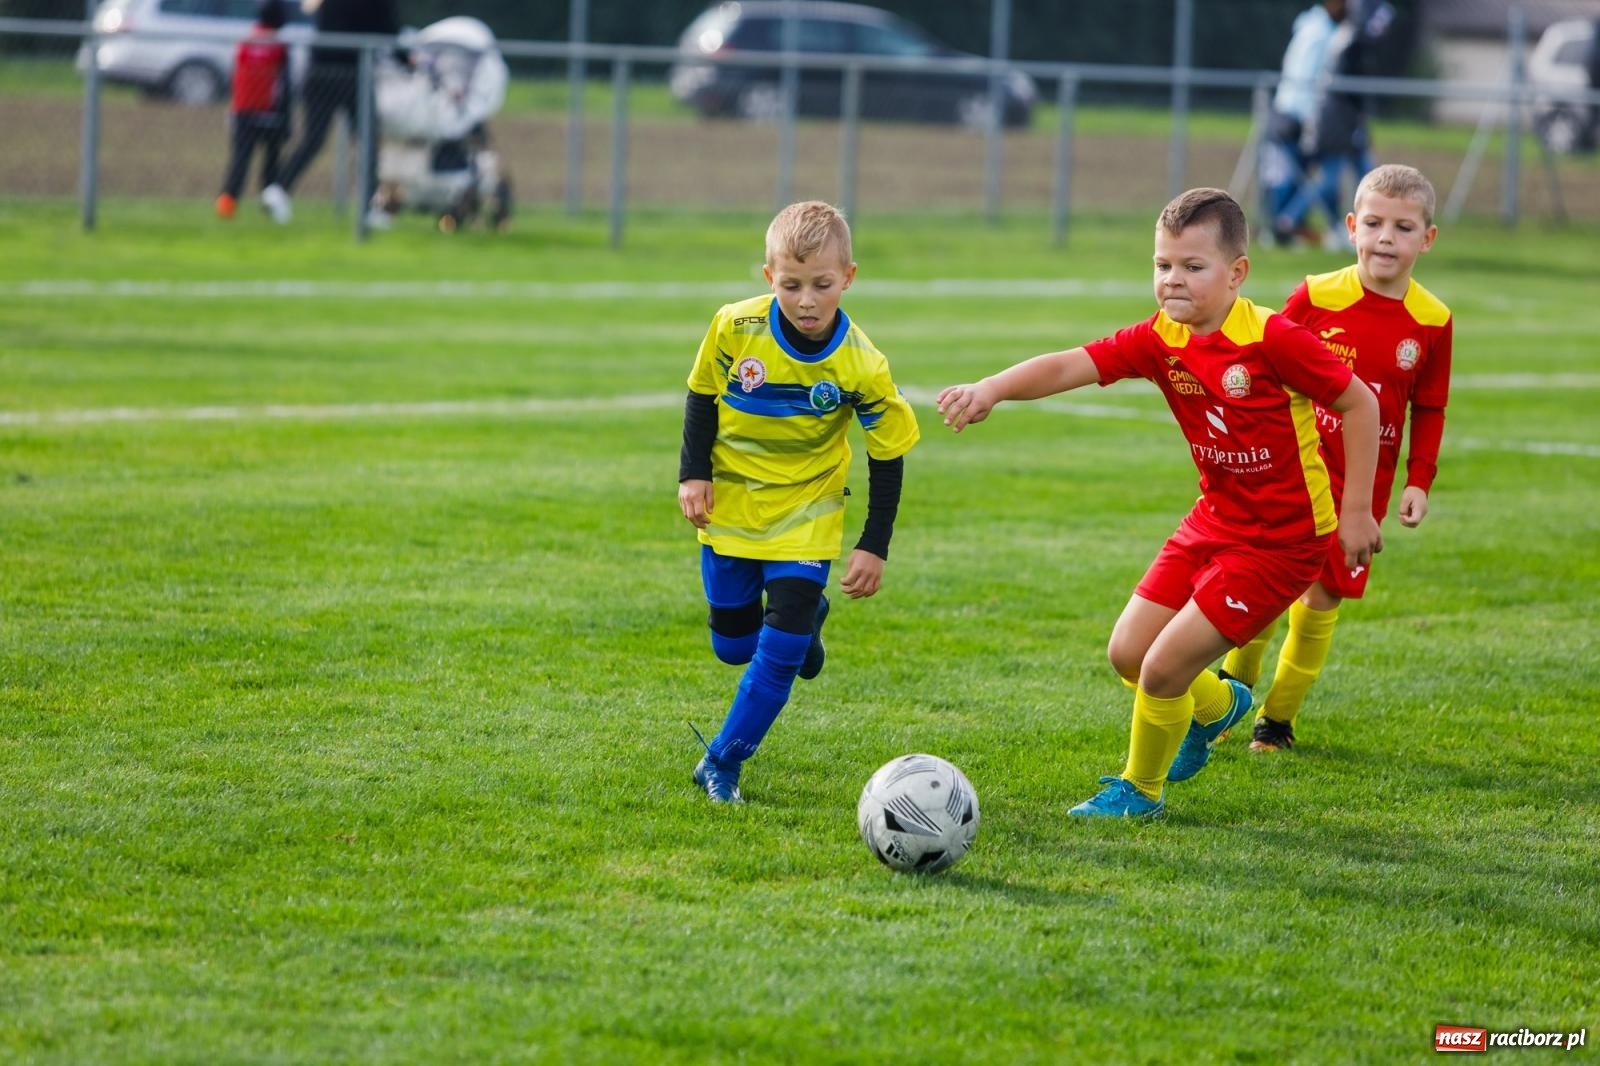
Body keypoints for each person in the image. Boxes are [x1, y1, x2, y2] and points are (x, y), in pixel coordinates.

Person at [937, 188, 1381, 820]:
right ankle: (1217, 707)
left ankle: (1140, 791)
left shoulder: (1272, 339)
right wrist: (993, 388)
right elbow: (1073, 364)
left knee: (1164, 667)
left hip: (1283, 541)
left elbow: (1360, 402)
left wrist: (1358, 511)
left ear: (1237, 274)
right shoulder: (1161, 337)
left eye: (1192, 268)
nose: (1173, 280)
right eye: (1162, 265)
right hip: (1215, 519)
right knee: (1127, 652)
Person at [679, 201, 921, 804]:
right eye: (791, 285)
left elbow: (887, 453)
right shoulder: (735, 327)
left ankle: (722, 763)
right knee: (733, 646)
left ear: (849, 277)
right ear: (768, 278)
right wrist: (693, 474)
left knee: (779, 651)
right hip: (732, 504)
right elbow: (702, 394)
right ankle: (808, 624)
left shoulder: (861, 362)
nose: (807, 300)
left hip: (808, 512)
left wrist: (873, 544)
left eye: (822, 284)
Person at [1219, 164, 1451, 755]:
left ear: (1426, 238)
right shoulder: (1317, 294)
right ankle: (1231, 691)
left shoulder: (1432, 321)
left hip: (1363, 489)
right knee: (1267, 590)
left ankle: (1276, 722)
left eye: (1403, 227)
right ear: (1351, 227)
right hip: (1293, 475)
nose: (1385, 238)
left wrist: (1418, 480)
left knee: (1321, 601)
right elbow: (1261, 356)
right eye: (1373, 223)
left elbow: (1429, 407)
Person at [260, 0, 400, 227]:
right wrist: (406, 58)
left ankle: (277, 189)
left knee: (314, 139)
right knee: (368, 141)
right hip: (354, 74)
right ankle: (372, 208)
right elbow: (387, 29)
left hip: (319, 70)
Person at [1277, 0, 1396, 250]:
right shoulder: (1336, 36)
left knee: (1363, 174)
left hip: (1341, 117)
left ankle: (1350, 229)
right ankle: (1289, 221)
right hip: (1331, 117)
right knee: (1332, 176)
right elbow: (1316, 80)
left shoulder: (1337, 34)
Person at [1262, 0, 1347, 247]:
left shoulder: (1310, 26)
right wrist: (1313, 121)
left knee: (1296, 176)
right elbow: (1307, 80)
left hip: (1289, 110)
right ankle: (1285, 225)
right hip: (1297, 114)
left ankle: (1288, 229)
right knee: (1315, 176)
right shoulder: (1320, 35)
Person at [215, 0, 291, 221]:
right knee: (271, 162)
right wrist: (285, 117)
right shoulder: (279, 46)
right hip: (270, 112)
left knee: (240, 160)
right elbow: (284, 84)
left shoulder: (247, 39)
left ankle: (227, 204)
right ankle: (270, 204)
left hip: (243, 109)